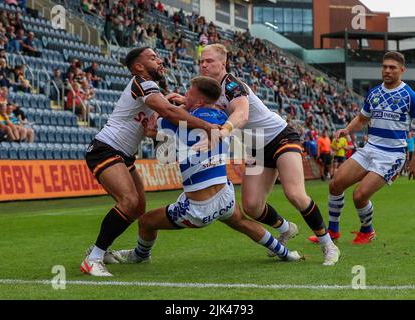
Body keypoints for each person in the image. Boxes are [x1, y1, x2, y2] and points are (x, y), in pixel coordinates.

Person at [166, 44, 339, 266]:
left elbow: (242, 113)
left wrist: (223, 131)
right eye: (202, 61)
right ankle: (286, 228)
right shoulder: (209, 89)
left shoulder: (232, 85)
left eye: (209, 61)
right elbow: (205, 106)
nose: (204, 64)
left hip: (280, 136)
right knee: (252, 205)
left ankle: (328, 245)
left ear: (223, 63)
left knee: (295, 194)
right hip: (257, 148)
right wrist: (183, 101)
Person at [108, 76, 302, 267]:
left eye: (189, 93)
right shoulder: (222, 118)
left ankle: (140, 255)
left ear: (199, 100)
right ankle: (286, 253)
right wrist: (186, 106)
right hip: (225, 195)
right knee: (242, 222)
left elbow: (150, 128)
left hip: (198, 208)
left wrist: (169, 105)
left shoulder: (177, 122)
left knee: (146, 222)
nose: (185, 95)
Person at [81, 47, 219, 276]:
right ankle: (93, 257)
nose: (160, 60)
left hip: (123, 154)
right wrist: (207, 126)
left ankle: (101, 250)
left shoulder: (151, 88)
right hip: (105, 149)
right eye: (153, 58)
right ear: (139, 66)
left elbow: (155, 121)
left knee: (138, 207)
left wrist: (154, 128)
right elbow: (168, 111)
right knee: (129, 201)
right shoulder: (141, 83)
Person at [309, 51, 415, 245]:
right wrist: (347, 130)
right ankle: (332, 232)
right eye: (384, 66)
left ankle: (367, 230)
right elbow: (362, 119)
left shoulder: (411, 97)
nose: (387, 70)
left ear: (402, 70)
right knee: (335, 184)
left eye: (392, 67)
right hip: (370, 148)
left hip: (392, 155)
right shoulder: (374, 93)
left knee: (359, 195)